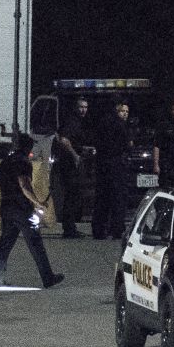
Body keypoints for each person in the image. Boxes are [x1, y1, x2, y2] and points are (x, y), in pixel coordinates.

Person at [0, 134, 65, 289]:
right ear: (28, 147)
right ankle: (48, 278)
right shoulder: (24, 162)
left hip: (6, 207)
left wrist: (8, 191)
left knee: (4, 243)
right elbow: (24, 185)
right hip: (22, 208)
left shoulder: (7, 161)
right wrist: (37, 203)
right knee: (35, 243)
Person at [91, 99, 136, 240]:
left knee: (102, 197)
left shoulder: (102, 122)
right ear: (117, 108)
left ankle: (99, 229)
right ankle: (116, 229)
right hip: (116, 164)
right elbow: (129, 144)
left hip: (103, 164)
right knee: (118, 198)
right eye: (123, 110)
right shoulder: (121, 125)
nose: (125, 114)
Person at [51, 97, 90, 238]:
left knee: (74, 195)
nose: (83, 110)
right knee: (72, 195)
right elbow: (64, 140)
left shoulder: (78, 122)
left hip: (71, 162)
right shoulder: (72, 122)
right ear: (75, 107)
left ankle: (71, 227)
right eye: (81, 107)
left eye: (85, 107)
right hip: (69, 164)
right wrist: (75, 156)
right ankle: (69, 229)